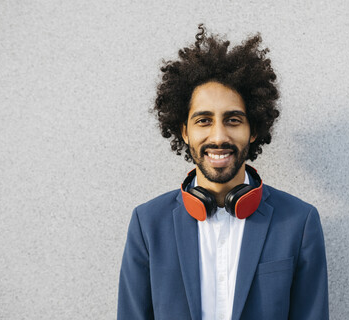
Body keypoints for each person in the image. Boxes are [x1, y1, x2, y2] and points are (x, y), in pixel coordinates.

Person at [117, 24, 329, 320]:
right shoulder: (147, 224)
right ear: (184, 131)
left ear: (253, 130)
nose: (218, 136)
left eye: (233, 120)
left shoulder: (299, 222)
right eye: (204, 120)